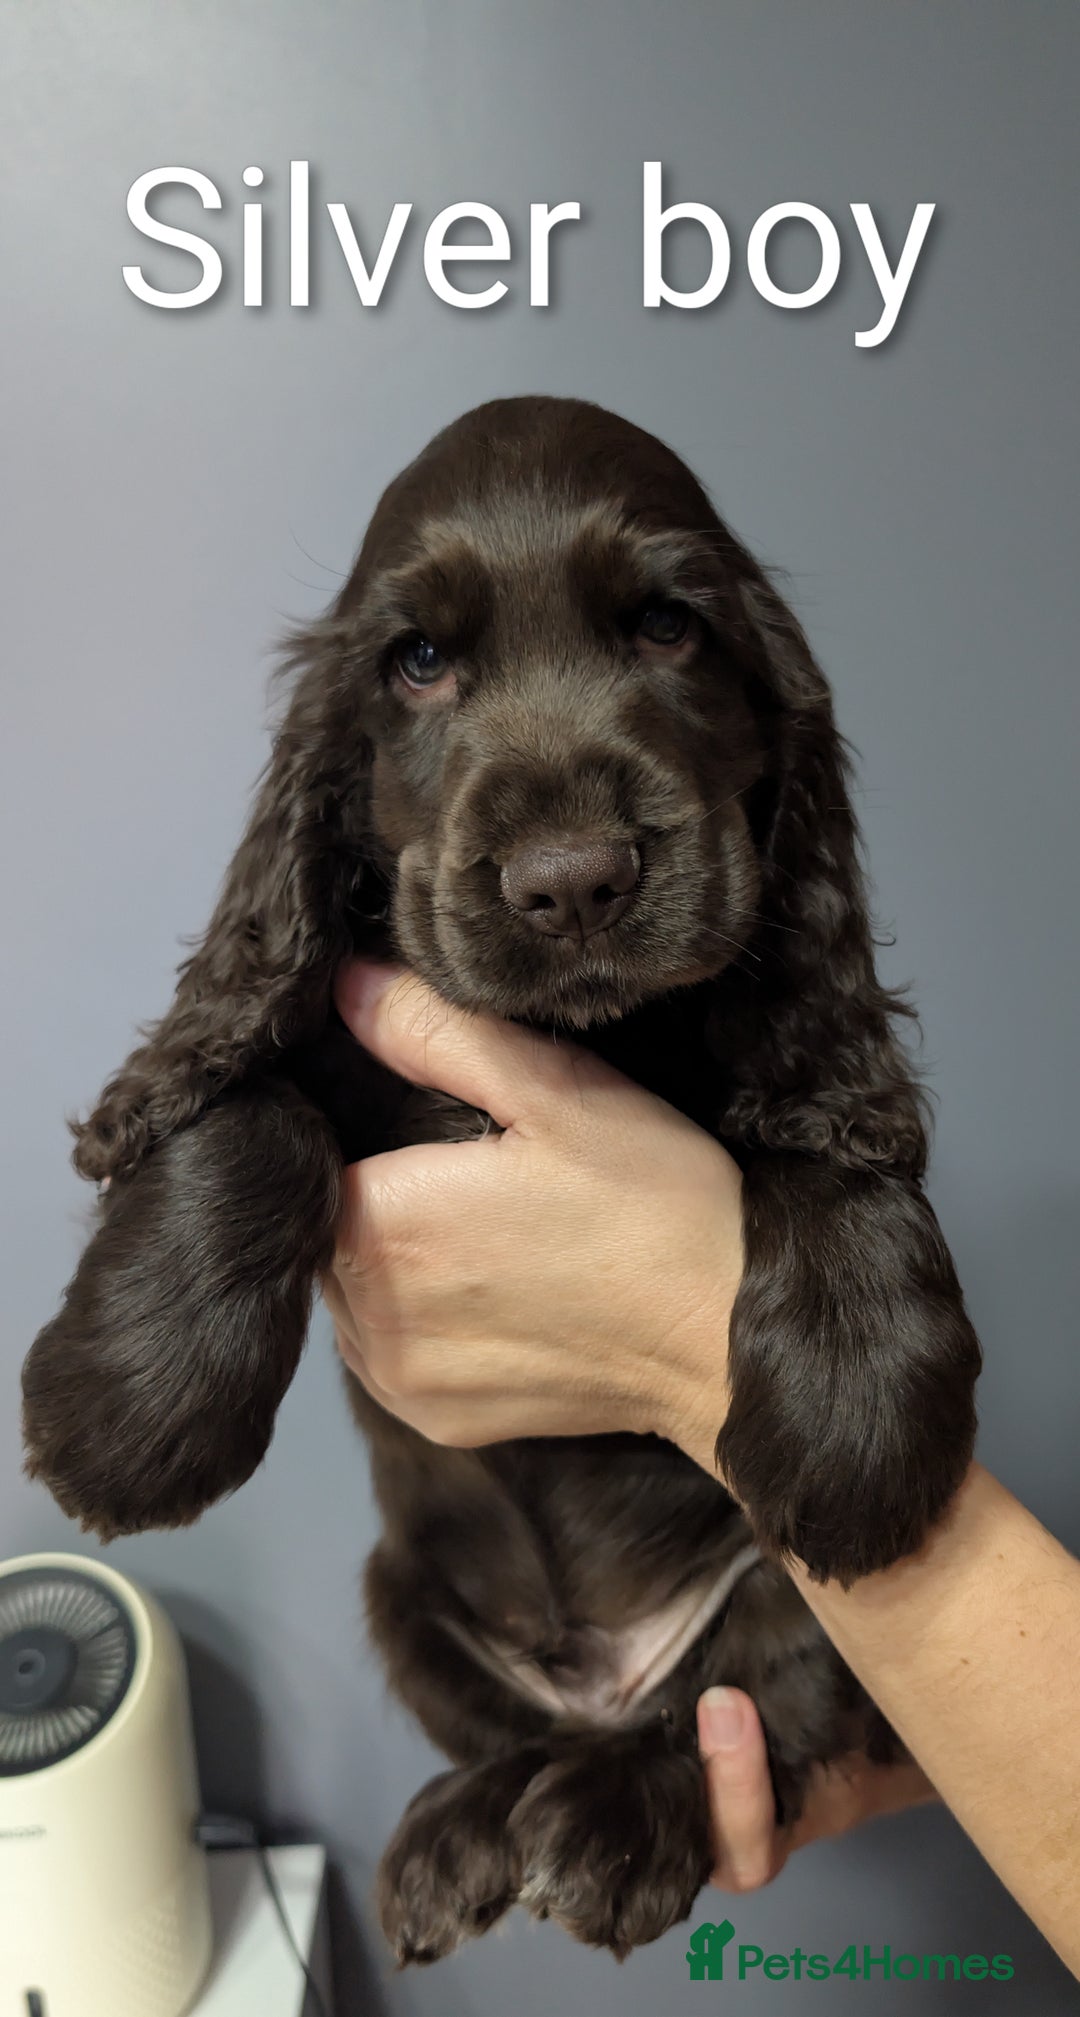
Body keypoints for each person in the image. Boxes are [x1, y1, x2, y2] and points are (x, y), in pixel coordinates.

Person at [322, 959, 1080, 1979]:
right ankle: (599, 1771)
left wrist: (696, 1354)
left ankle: (651, 1772)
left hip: (733, 1584)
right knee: (406, 1608)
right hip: (490, 1624)